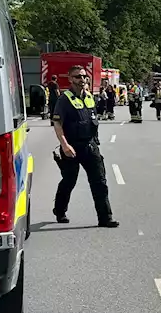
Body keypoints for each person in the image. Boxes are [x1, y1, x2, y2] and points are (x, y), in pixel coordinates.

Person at [50, 65, 119, 228]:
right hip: (71, 147)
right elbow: (57, 123)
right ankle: (60, 210)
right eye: (77, 77)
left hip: (90, 145)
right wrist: (65, 145)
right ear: (70, 79)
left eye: (83, 76)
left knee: (99, 182)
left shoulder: (89, 97)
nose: (81, 80)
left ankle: (105, 218)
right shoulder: (64, 99)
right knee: (69, 181)